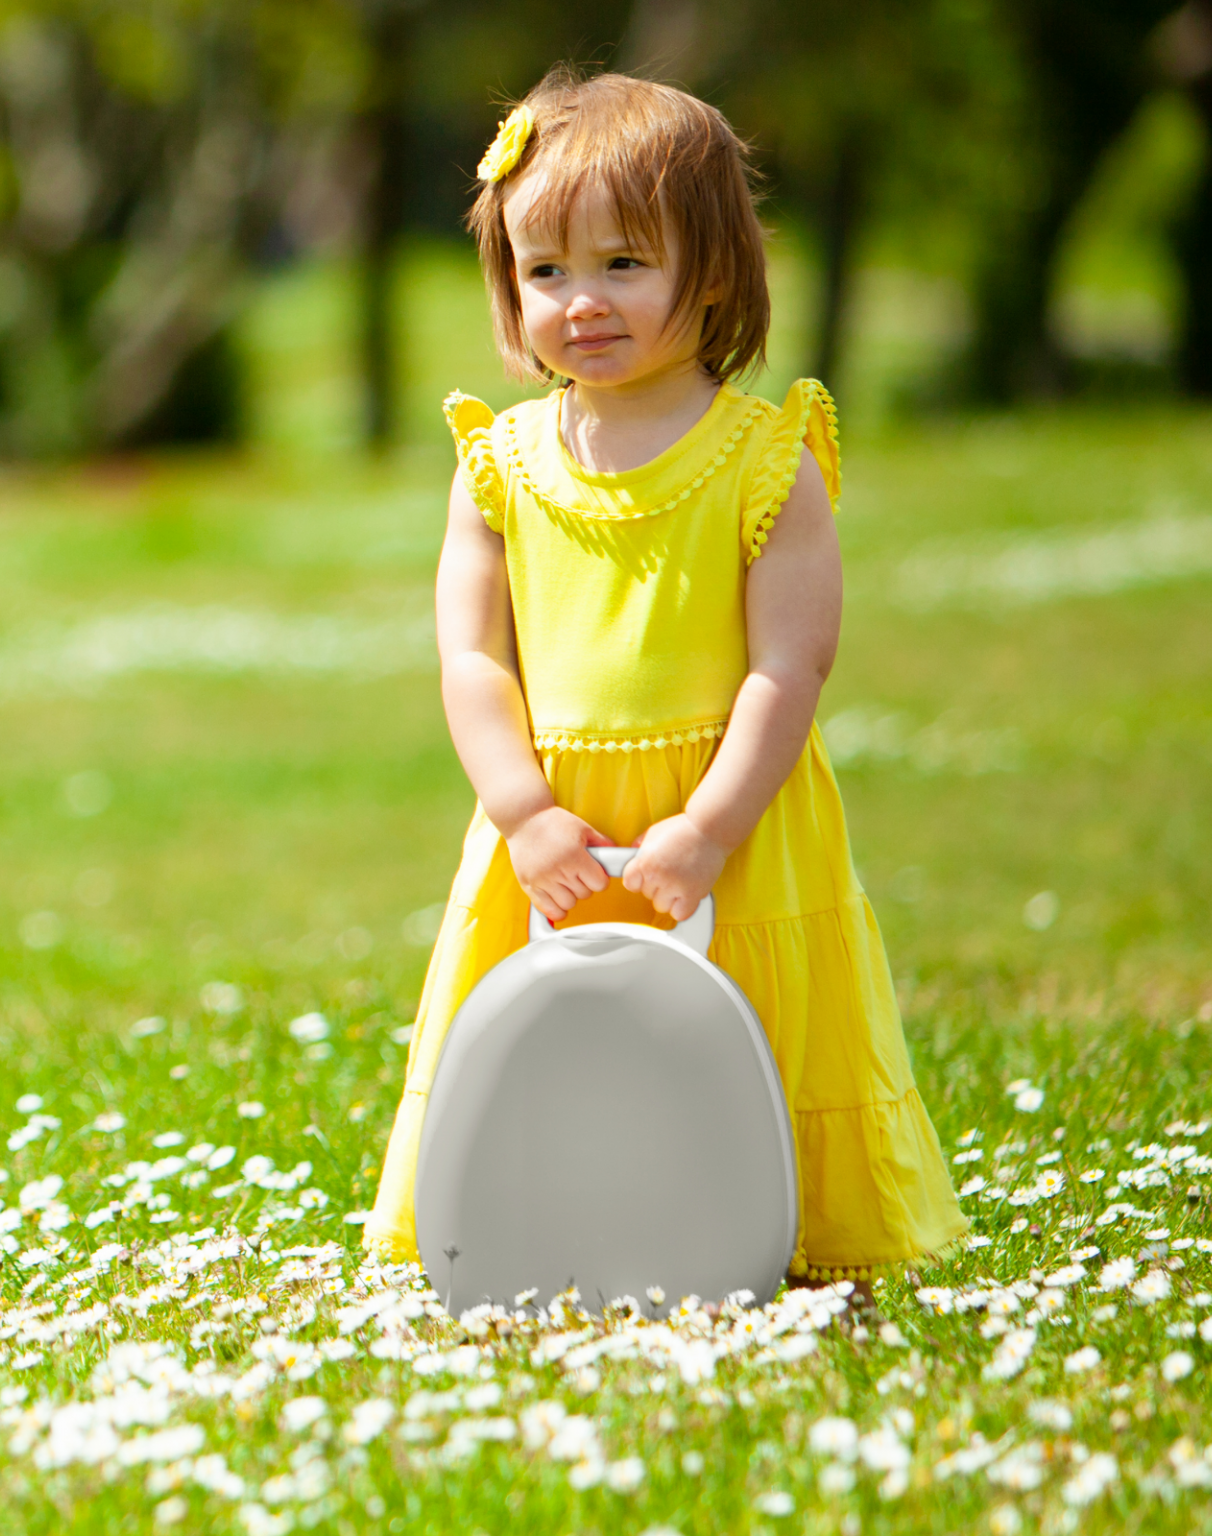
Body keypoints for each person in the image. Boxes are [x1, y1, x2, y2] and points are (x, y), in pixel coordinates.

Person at [364, 69, 967, 1291]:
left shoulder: (764, 459)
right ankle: (532, 1233)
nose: (581, 302)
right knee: (542, 1035)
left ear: (715, 272)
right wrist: (525, 814)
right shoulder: (502, 463)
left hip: (729, 816)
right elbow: (474, 655)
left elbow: (789, 667)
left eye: (624, 264)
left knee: (747, 1026)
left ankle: (776, 1238)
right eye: (546, 272)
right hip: (552, 818)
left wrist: (706, 827)